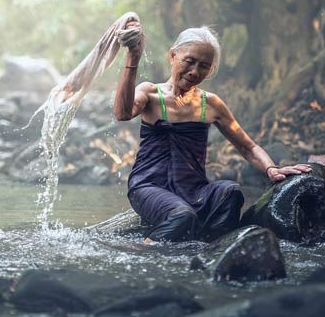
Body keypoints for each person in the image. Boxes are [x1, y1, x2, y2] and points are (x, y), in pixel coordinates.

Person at [113, 23, 310, 242]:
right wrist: (133, 57)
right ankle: (142, 250)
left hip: (193, 190)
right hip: (149, 186)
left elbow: (248, 147)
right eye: (189, 61)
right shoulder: (150, 92)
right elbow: (122, 113)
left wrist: (271, 169)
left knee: (231, 193)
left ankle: (213, 249)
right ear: (173, 56)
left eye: (204, 66)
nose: (195, 71)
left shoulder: (211, 104)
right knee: (182, 216)